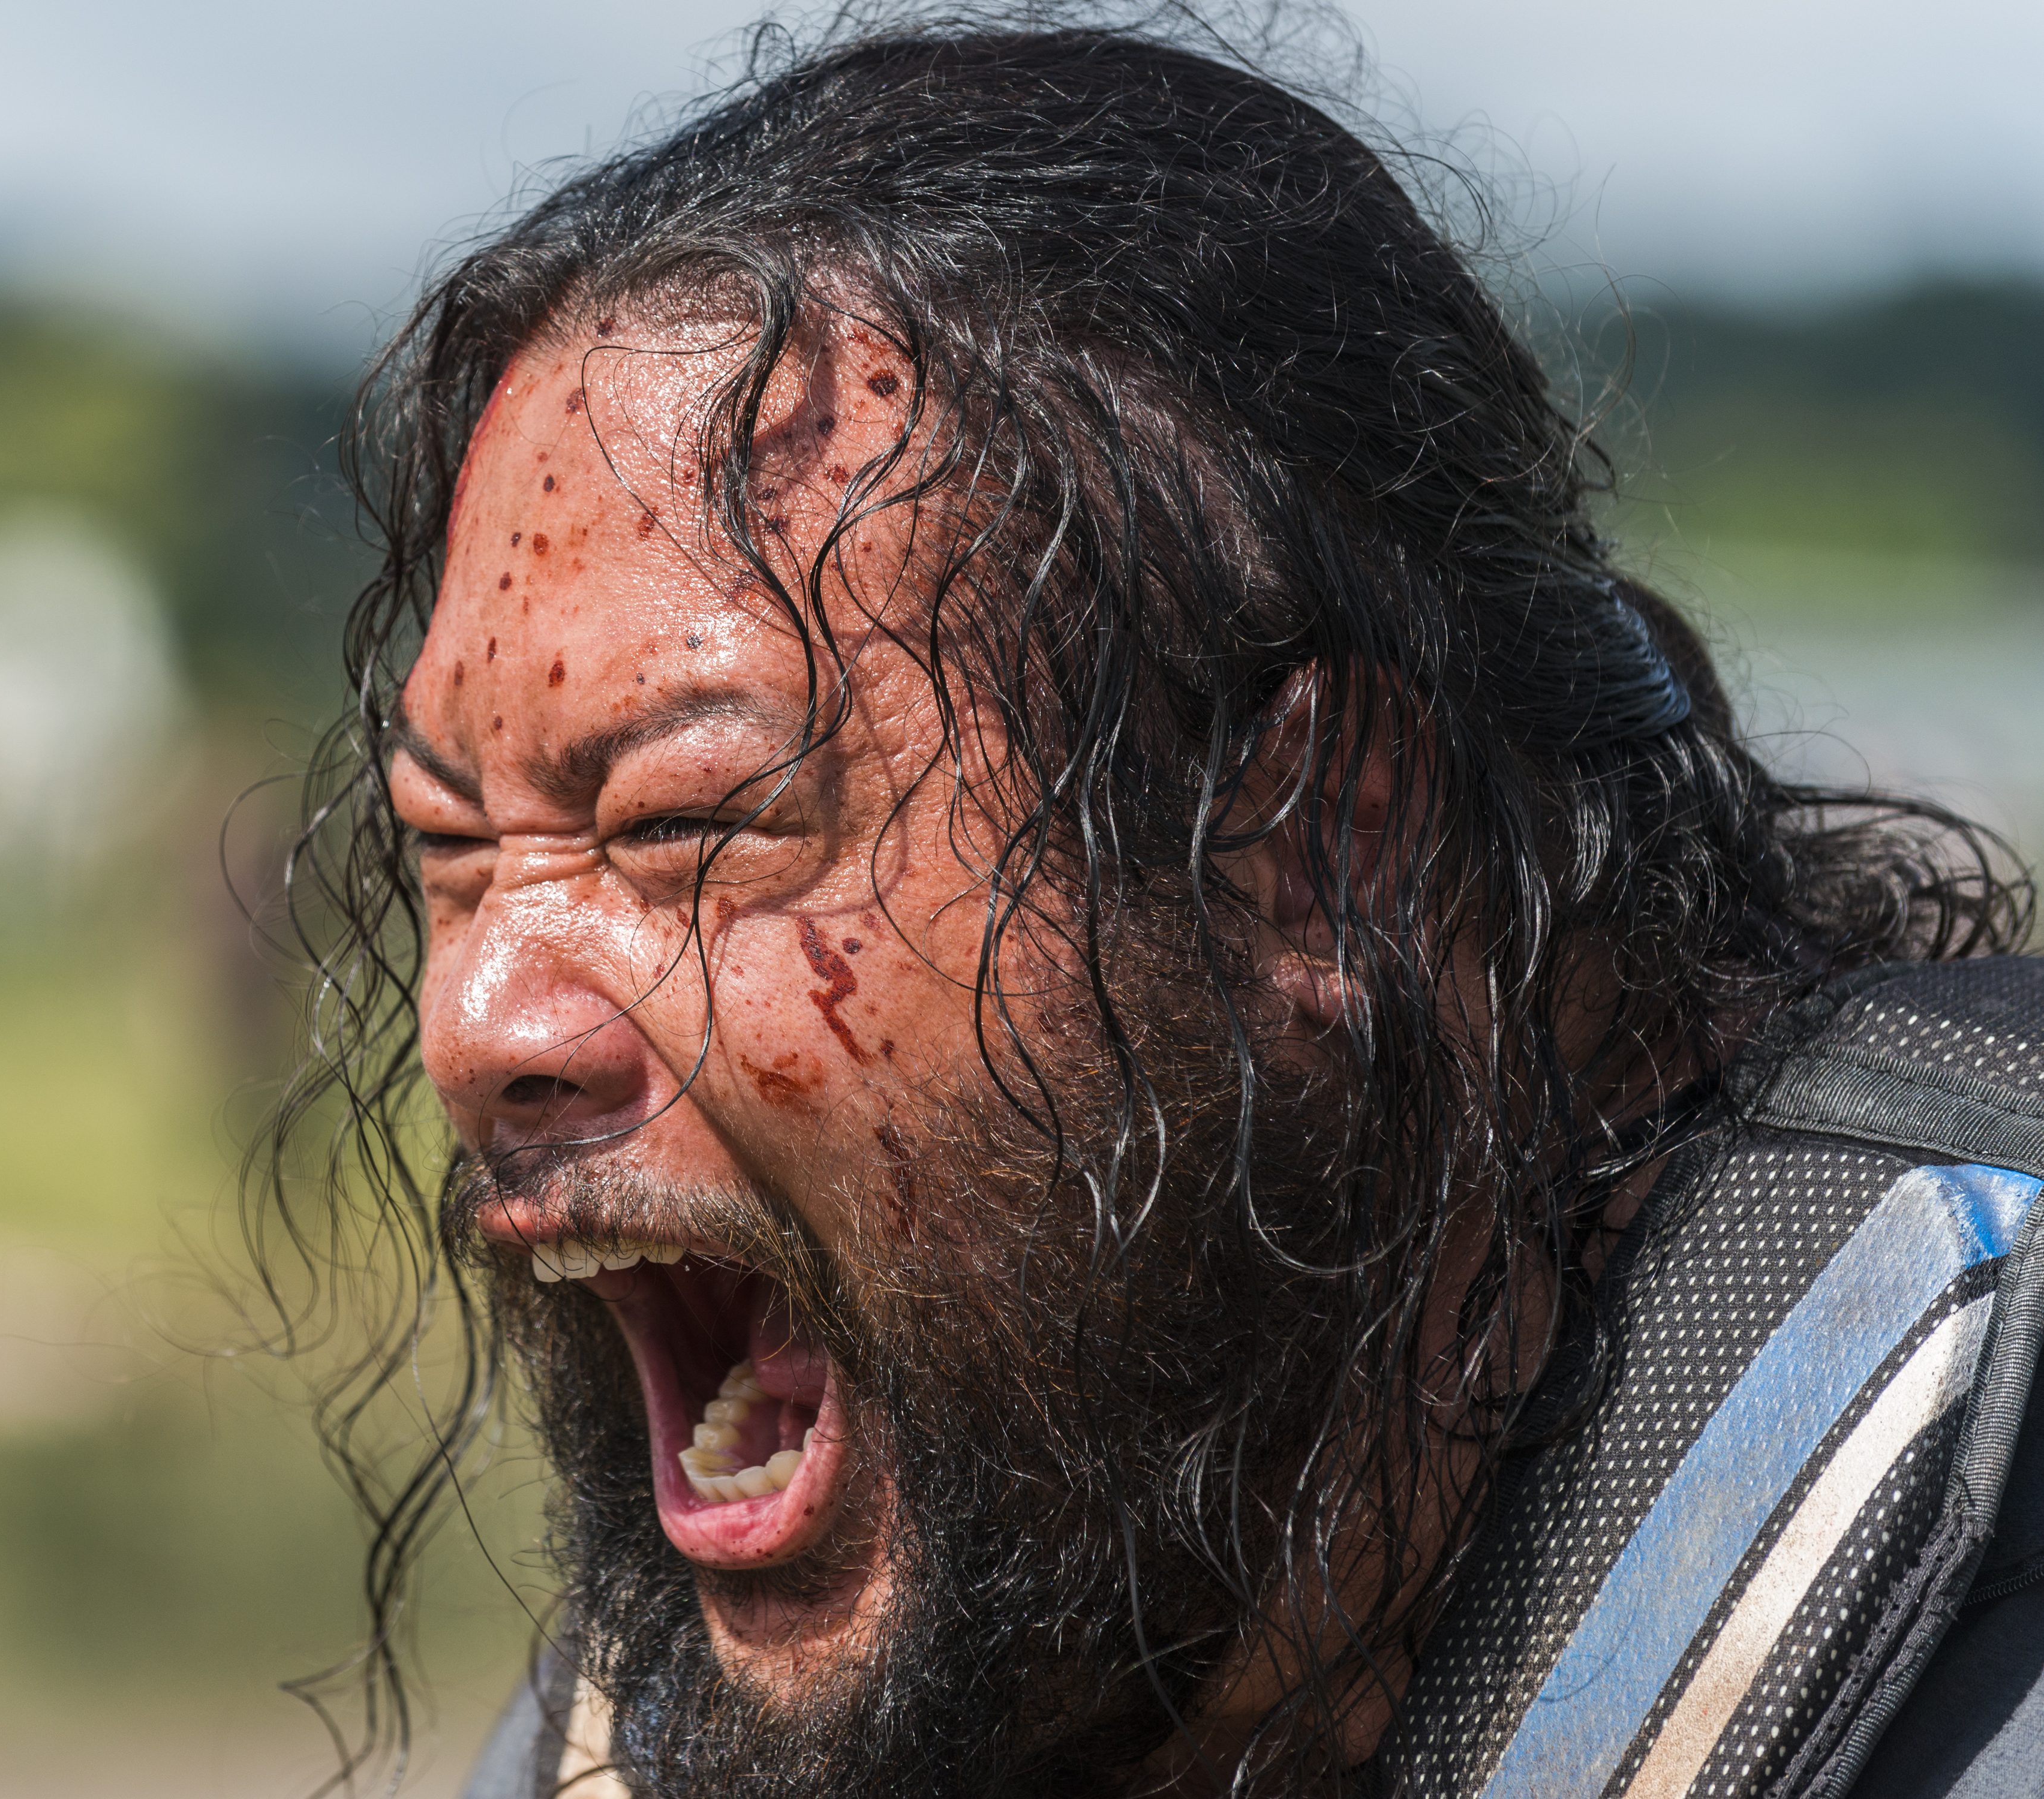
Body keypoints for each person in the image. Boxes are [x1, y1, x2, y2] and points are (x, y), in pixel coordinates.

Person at [257, 11, 2044, 1795]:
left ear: (1323, 850)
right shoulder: (703, 1707)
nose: (480, 1024)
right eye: (454, 854)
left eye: (685, 826)